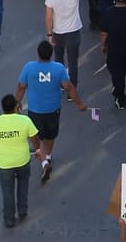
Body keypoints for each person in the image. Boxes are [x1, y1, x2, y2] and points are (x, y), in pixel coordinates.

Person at [17, 39, 87, 181]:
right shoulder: (59, 68)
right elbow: (68, 87)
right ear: (51, 54)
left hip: (35, 110)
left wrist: (17, 102)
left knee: (36, 136)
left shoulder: (29, 67)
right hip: (53, 110)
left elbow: (21, 87)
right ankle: (47, 156)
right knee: (51, 135)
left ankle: (43, 161)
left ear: (38, 53)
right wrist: (80, 104)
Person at [0, 93, 40, 228]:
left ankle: (9, 219)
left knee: (7, 191)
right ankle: (22, 211)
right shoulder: (25, 120)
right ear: (16, 106)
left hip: (4, 164)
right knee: (23, 186)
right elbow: (34, 139)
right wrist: (37, 149)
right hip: (23, 161)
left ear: (2, 108)